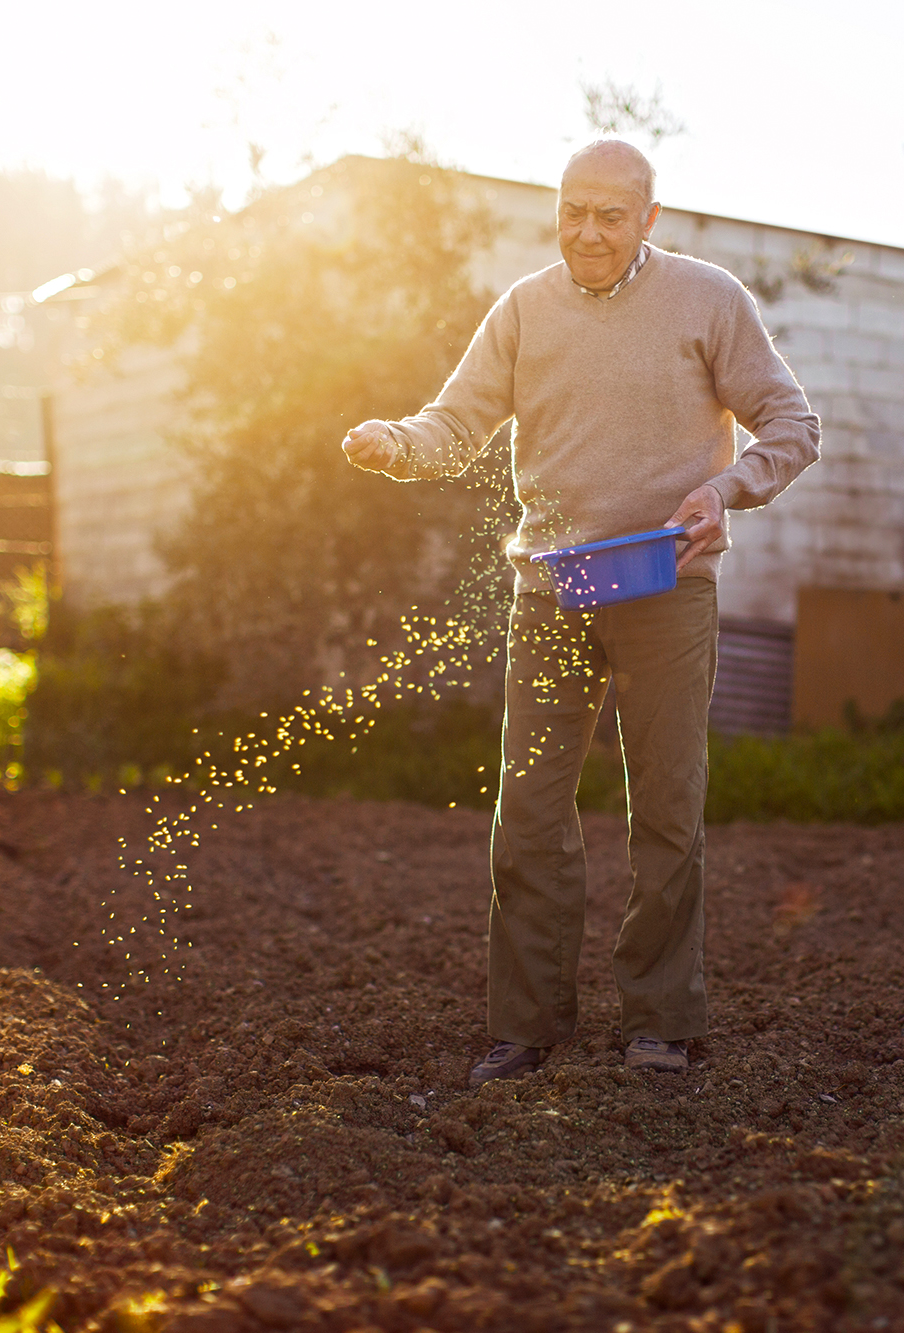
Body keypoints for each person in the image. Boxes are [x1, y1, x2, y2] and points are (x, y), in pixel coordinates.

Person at [340, 140, 819, 1085]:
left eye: (610, 214)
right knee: (526, 812)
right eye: (572, 211)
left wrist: (725, 490)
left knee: (668, 809)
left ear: (648, 219)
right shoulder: (524, 309)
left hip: (665, 586)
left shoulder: (709, 300)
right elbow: (458, 422)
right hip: (551, 589)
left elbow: (792, 424)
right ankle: (526, 1024)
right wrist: (398, 442)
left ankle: (661, 1021)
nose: (587, 232)